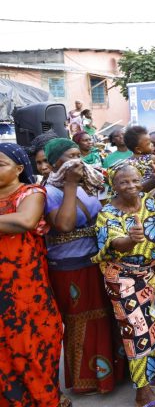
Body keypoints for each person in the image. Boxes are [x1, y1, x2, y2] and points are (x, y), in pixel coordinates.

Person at [42, 138, 125, 395]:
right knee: (81, 320)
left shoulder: (85, 184)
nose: (77, 160)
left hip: (95, 260)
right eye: (70, 156)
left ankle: (112, 375)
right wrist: (69, 184)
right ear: (55, 163)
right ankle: (85, 380)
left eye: (78, 155)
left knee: (105, 316)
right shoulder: (49, 192)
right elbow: (64, 225)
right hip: (69, 267)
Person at [93, 164, 155, 407]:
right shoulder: (107, 213)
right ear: (113, 186)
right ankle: (142, 393)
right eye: (123, 182)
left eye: (135, 181)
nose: (131, 186)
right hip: (122, 279)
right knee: (136, 332)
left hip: (152, 272)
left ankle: (148, 372)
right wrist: (131, 240)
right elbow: (115, 243)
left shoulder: (149, 202)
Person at [0, 143, 65, 407]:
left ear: (18, 169)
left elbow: (25, 221)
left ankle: (45, 399)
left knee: (31, 344)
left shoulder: (31, 193)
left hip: (25, 288)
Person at [124, 125, 155, 192]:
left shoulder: (127, 161)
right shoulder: (151, 158)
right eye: (149, 144)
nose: (152, 145)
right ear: (138, 149)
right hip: (149, 193)